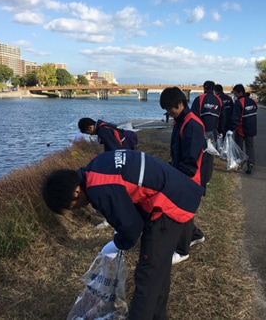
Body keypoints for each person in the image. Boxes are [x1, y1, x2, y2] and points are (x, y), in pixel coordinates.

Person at [42, 149, 204, 320]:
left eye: (71, 207)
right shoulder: (95, 166)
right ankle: (157, 316)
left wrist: (117, 242)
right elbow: (127, 199)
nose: (77, 209)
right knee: (158, 268)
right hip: (177, 189)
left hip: (169, 202)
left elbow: (132, 228)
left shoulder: (99, 189)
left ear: (76, 192)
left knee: (148, 273)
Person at [160, 86, 206, 265]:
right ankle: (196, 235)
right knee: (182, 210)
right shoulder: (180, 119)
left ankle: (182, 250)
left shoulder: (192, 124)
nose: (169, 112)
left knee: (181, 212)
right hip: (180, 171)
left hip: (190, 176)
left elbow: (191, 159)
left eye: (171, 108)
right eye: (166, 109)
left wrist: (177, 178)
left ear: (181, 103)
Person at [190, 80, 223, 185]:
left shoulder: (199, 99)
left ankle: (197, 175)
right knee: (209, 155)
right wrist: (222, 131)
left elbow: (193, 117)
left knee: (198, 153)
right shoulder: (219, 100)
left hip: (200, 131)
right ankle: (207, 179)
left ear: (204, 88)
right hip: (213, 131)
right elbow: (222, 117)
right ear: (213, 89)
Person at [227, 84, 258, 174]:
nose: (235, 96)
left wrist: (231, 129)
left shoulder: (239, 103)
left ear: (240, 92)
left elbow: (235, 118)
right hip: (252, 128)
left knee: (238, 147)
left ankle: (239, 163)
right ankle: (250, 164)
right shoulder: (253, 101)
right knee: (250, 147)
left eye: (236, 93)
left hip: (241, 128)